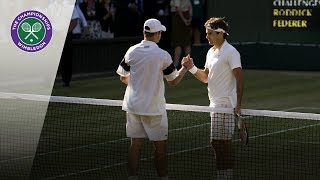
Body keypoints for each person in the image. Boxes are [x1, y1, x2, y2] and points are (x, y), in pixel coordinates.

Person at [116, 18, 190, 180]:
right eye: (160, 33)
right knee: (160, 148)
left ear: (145, 33)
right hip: (153, 109)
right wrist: (185, 68)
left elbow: (123, 77)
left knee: (135, 145)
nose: (160, 35)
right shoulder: (162, 55)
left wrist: (137, 82)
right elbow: (173, 81)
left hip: (133, 106)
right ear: (156, 34)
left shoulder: (132, 51)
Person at [182, 17, 244, 180]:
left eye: (210, 33)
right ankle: (222, 175)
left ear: (220, 34)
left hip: (226, 104)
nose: (207, 36)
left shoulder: (231, 52)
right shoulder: (210, 52)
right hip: (214, 104)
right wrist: (191, 68)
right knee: (217, 143)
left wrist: (238, 105)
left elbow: (240, 78)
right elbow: (206, 78)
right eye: (207, 33)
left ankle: (226, 176)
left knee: (223, 143)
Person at [59, 6, 79, 87]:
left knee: (66, 58)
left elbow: (74, 21)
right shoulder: (51, 5)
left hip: (66, 34)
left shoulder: (70, 6)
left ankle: (66, 81)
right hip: (53, 33)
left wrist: (66, 32)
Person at [170, 0, 193, 67]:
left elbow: (178, 8)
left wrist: (184, 20)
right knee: (187, 43)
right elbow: (190, 7)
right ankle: (188, 64)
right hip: (186, 16)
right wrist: (189, 18)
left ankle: (176, 64)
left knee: (178, 43)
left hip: (178, 18)